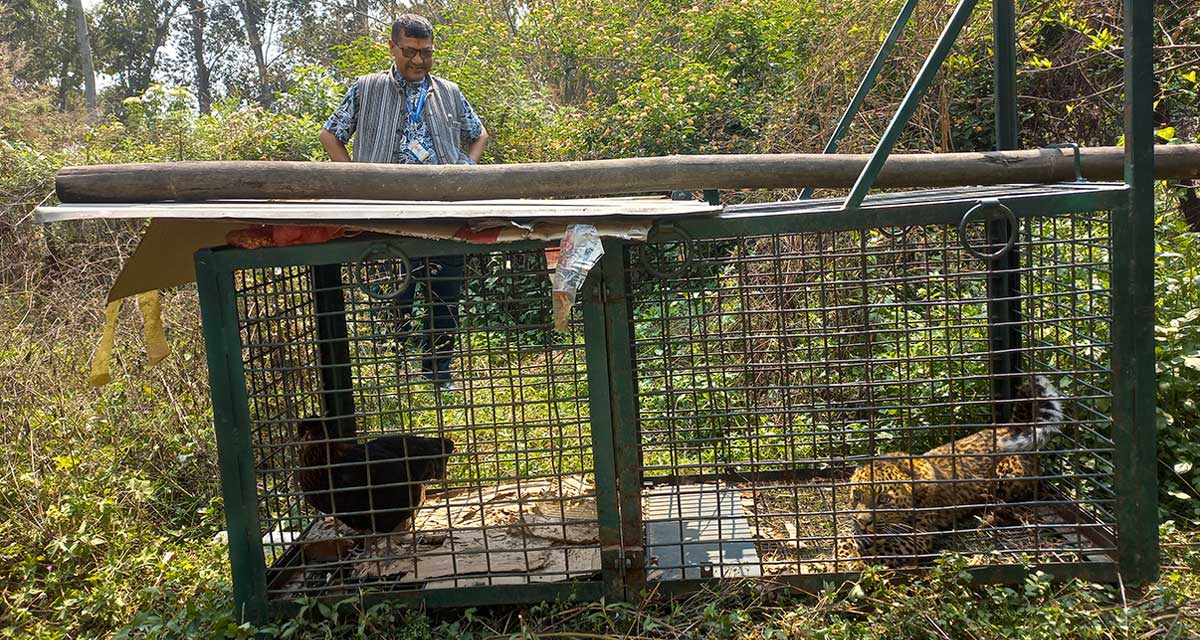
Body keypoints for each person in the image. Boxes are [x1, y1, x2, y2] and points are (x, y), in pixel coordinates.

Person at [320, 13, 488, 392]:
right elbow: (331, 134)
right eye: (410, 51)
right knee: (397, 291)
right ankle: (395, 367)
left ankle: (438, 371)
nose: (418, 60)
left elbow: (478, 134)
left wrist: (467, 169)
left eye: (426, 53)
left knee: (445, 292)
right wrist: (354, 180)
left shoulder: (449, 91)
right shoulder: (366, 88)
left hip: (444, 212)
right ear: (393, 48)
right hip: (386, 214)